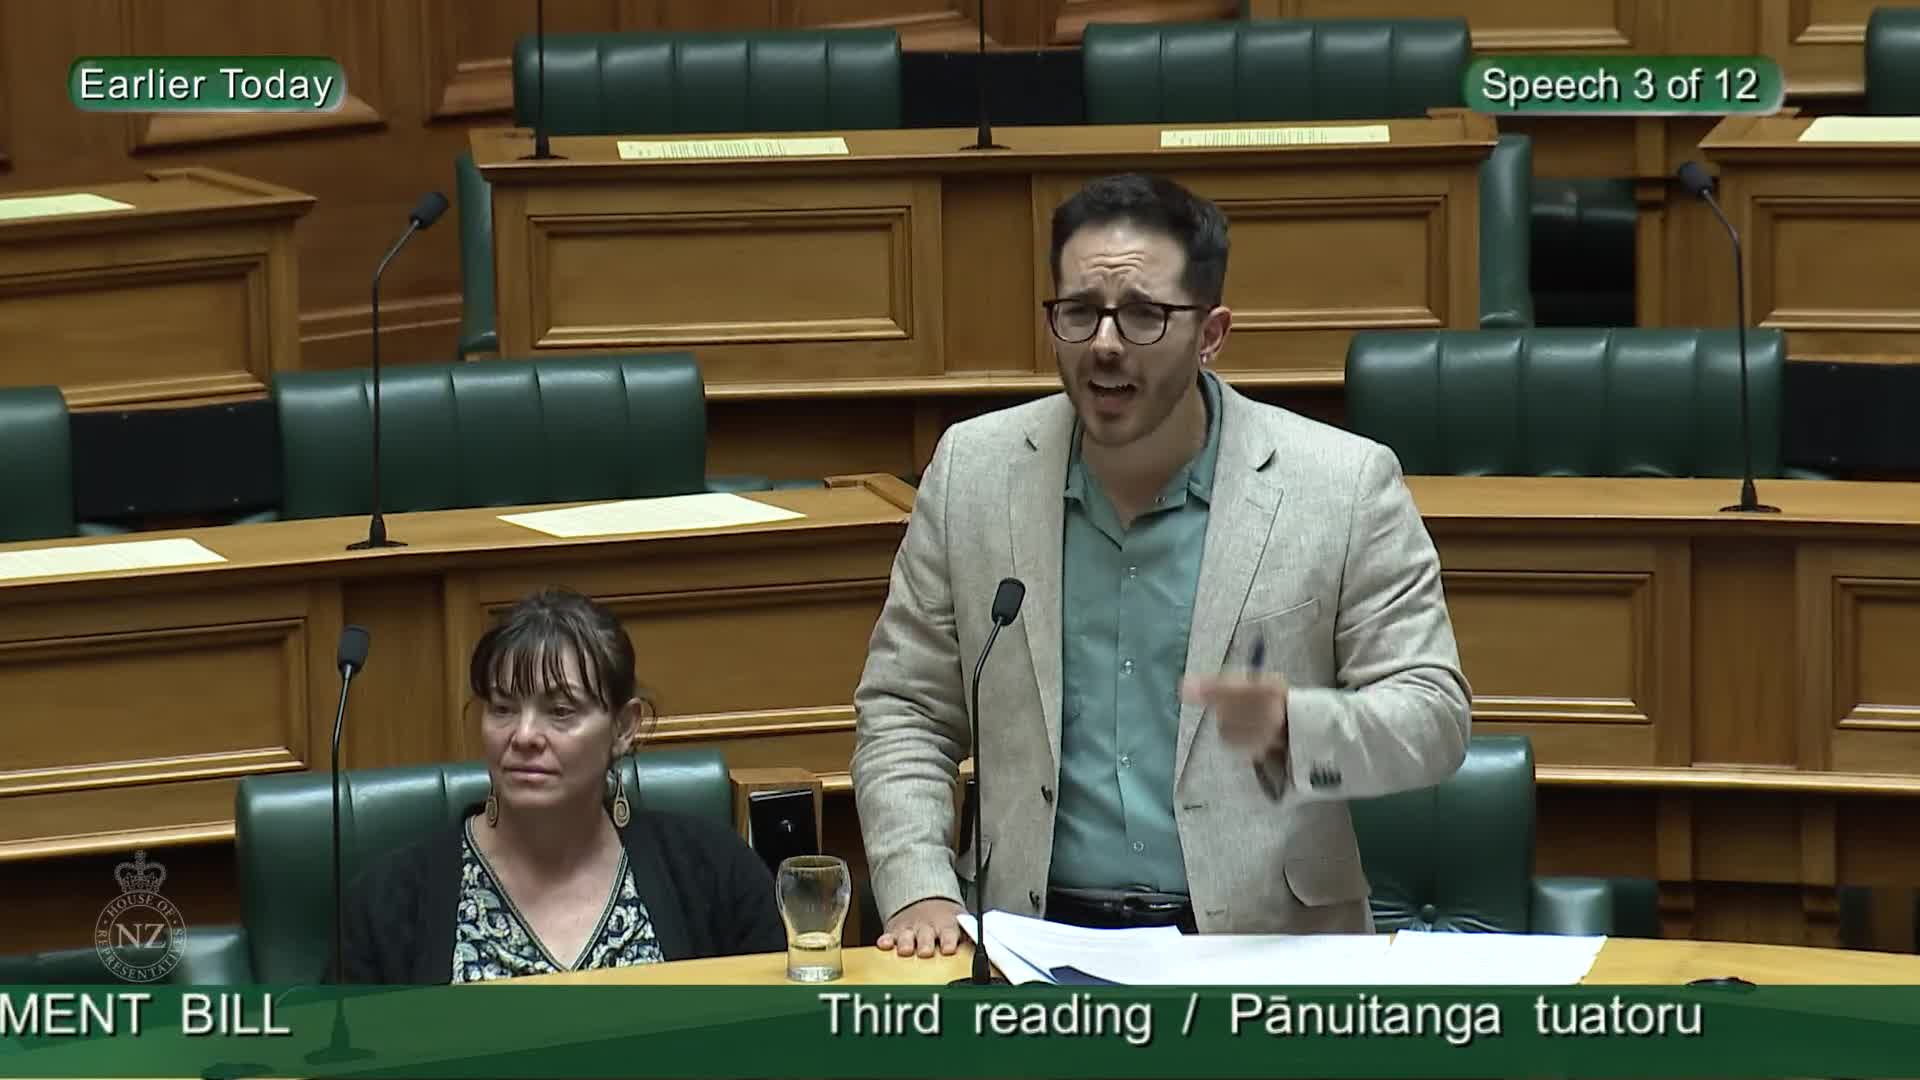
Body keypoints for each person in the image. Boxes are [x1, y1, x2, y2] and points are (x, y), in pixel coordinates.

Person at [851, 173, 1472, 957]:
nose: (1105, 343)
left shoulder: (1341, 485)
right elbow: (905, 708)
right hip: (1028, 942)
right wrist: (920, 887)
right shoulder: (974, 470)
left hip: (1263, 948)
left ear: (1211, 333)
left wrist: (1302, 730)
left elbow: (1434, 716)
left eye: (1144, 315)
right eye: (1079, 312)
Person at [340, 587, 785, 983]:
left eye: (560, 711)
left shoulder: (716, 873)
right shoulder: (390, 901)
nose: (525, 735)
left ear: (623, 728)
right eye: (503, 708)